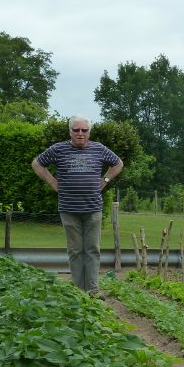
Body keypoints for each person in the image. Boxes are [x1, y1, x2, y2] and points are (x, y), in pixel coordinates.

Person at [31, 115, 122, 297]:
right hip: (68, 209)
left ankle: (93, 290)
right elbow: (37, 164)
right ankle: (79, 291)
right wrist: (52, 182)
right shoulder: (58, 149)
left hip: (93, 208)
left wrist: (105, 180)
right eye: (76, 130)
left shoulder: (99, 149)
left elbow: (118, 163)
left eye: (84, 130)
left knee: (92, 249)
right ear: (70, 131)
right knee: (75, 250)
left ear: (89, 132)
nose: (80, 134)